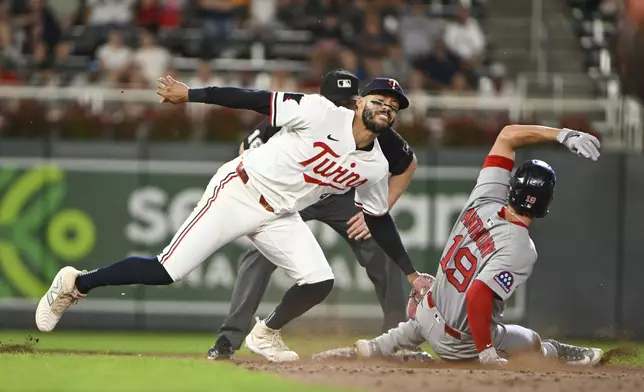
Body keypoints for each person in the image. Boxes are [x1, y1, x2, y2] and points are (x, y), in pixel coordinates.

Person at [35, 74, 434, 363]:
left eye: (394, 107)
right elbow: (255, 99)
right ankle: (75, 283)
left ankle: (266, 334)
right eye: (379, 101)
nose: (386, 109)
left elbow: (379, 219)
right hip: (240, 190)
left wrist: (412, 274)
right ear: (360, 102)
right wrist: (191, 94)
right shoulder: (320, 111)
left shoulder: (377, 165)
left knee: (319, 281)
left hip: (280, 214)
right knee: (165, 271)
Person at [314, 124, 605, 366]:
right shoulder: (521, 247)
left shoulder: (486, 198)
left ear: (512, 185)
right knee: (532, 342)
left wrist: (562, 134)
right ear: (546, 204)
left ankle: (374, 350)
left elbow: (507, 135)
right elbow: (478, 294)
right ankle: (557, 353)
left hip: (426, 311)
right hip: (460, 342)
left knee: (389, 341)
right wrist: (486, 350)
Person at [207, 70, 416, 360]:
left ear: (357, 103)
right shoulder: (302, 113)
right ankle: (229, 339)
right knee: (259, 255)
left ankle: (397, 340)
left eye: (347, 102)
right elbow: (246, 149)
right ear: (321, 100)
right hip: (293, 194)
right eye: (335, 102)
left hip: (342, 194)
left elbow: (408, 163)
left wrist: (379, 209)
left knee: (382, 248)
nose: (340, 108)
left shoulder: (378, 131)